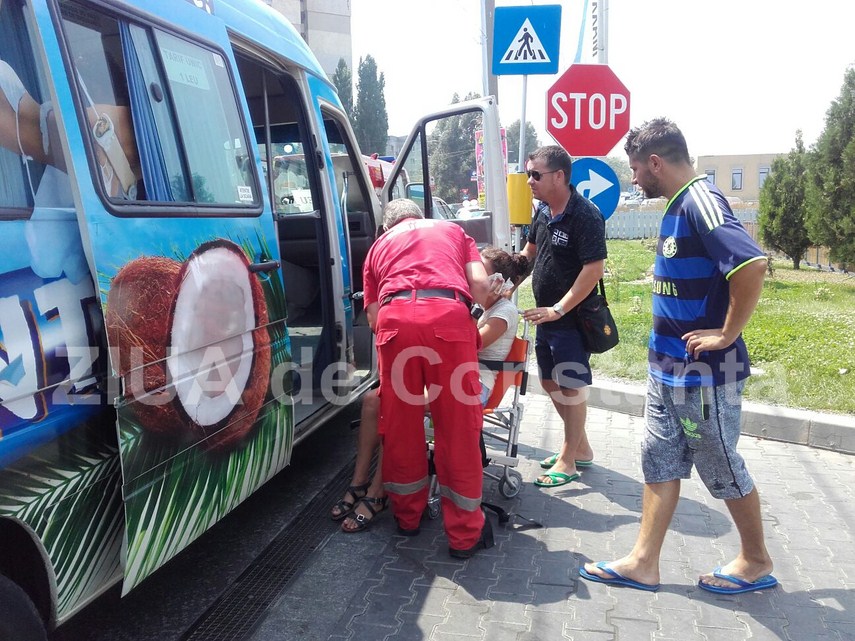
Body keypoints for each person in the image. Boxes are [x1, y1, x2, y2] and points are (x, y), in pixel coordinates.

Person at [580, 117, 775, 594]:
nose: (632, 179)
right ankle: (643, 562)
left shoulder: (700, 200)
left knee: (720, 465)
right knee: (659, 459)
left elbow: (751, 264)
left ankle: (755, 559)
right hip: (666, 369)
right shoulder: (676, 203)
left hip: (705, 374)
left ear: (655, 163)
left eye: (634, 169)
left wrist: (727, 334)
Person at [332, 245, 526, 535]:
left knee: (393, 406)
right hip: (446, 374)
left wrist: (469, 308)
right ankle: (359, 481)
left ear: (498, 281)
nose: (469, 277)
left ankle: (377, 491)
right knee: (373, 399)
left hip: (472, 384)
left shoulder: (504, 311)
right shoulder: (471, 303)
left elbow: (467, 344)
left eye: (478, 272)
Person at [361, 198, 497, 559]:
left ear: (388, 226)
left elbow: (373, 318)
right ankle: (464, 536)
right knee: (458, 428)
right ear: (421, 217)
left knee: (401, 425)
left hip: (394, 323)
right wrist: (473, 315)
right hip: (447, 319)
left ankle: (408, 517)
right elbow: (480, 284)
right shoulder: (453, 231)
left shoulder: (378, 247)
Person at [516, 145, 605, 488]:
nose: (529, 181)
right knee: (549, 382)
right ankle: (580, 447)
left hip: (570, 317)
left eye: (535, 174)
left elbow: (593, 269)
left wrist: (559, 309)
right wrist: (507, 282)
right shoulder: (542, 210)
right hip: (545, 317)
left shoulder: (585, 214)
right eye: (528, 174)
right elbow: (530, 252)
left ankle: (568, 460)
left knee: (571, 385)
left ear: (559, 176)